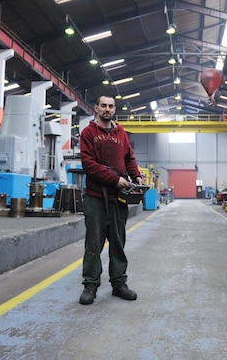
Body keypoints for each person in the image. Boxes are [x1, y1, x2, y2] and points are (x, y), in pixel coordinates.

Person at [79, 95, 144, 305]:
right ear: (96, 108)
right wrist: (115, 179)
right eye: (103, 106)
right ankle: (91, 284)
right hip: (95, 197)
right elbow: (88, 164)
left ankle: (119, 284)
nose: (107, 109)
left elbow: (129, 158)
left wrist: (136, 176)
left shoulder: (121, 133)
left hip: (117, 200)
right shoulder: (88, 133)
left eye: (111, 106)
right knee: (94, 243)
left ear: (114, 110)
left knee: (118, 242)